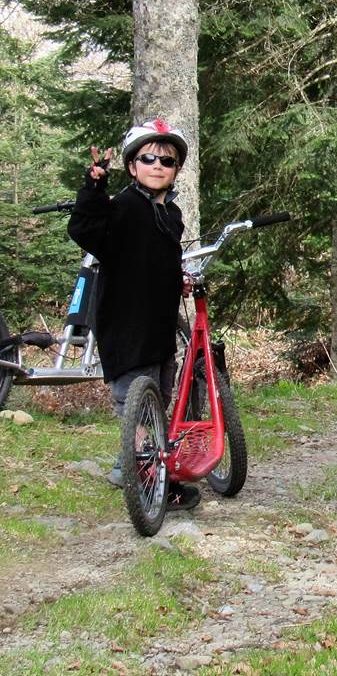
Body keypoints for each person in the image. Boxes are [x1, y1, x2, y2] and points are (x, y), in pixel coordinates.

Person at [67, 117, 199, 510]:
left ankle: (131, 465)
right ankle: (149, 481)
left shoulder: (170, 216)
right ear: (131, 166)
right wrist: (94, 186)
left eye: (168, 160)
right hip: (125, 326)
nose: (158, 165)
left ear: (176, 170)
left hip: (158, 327)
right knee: (133, 403)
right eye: (148, 158)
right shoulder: (122, 207)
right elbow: (85, 229)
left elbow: (158, 262)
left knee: (158, 396)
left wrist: (180, 280)